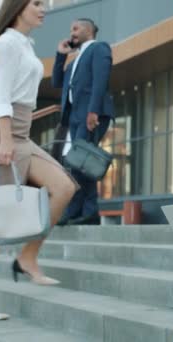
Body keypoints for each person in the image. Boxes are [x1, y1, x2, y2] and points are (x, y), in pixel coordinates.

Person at [0, 0, 78, 322]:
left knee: (64, 187)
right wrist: (7, 139)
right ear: (18, 7)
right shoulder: (8, 43)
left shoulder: (25, 43)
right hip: (2, 134)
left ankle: (27, 257)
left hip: (20, 133)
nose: (44, 8)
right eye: (37, 3)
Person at [52, 18, 114, 225]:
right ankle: (85, 211)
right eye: (71, 30)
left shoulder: (98, 48)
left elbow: (100, 80)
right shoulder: (75, 60)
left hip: (90, 114)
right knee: (79, 163)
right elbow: (56, 82)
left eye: (76, 29)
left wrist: (93, 111)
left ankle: (80, 210)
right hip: (75, 117)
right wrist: (61, 55)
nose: (72, 33)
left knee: (79, 162)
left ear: (88, 30)